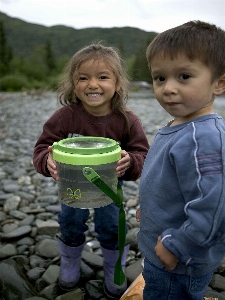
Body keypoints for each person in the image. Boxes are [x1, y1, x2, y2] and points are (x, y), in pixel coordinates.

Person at [33, 43, 149, 299]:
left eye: (103, 77)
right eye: (83, 78)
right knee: (70, 223)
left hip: (109, 188)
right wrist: (47, 161)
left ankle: (112, 265)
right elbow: (42, 147)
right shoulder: (65, 117)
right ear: (74, 84)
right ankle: (70, 261)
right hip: (71, 187)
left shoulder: (127, 121)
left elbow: (142, 154)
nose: (92, 84)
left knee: (110, 226)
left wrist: (130, 161)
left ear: (118, 83)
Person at [137, 20, 225, 300]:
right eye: (160, 78)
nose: (168, 88)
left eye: (184, 76)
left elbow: (215, 208)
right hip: (165, 253)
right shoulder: (182, 125)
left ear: (219, 83)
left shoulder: (204, 138)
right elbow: (173, 182)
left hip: (178, 263)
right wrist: (151, 210)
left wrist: (179, 245)